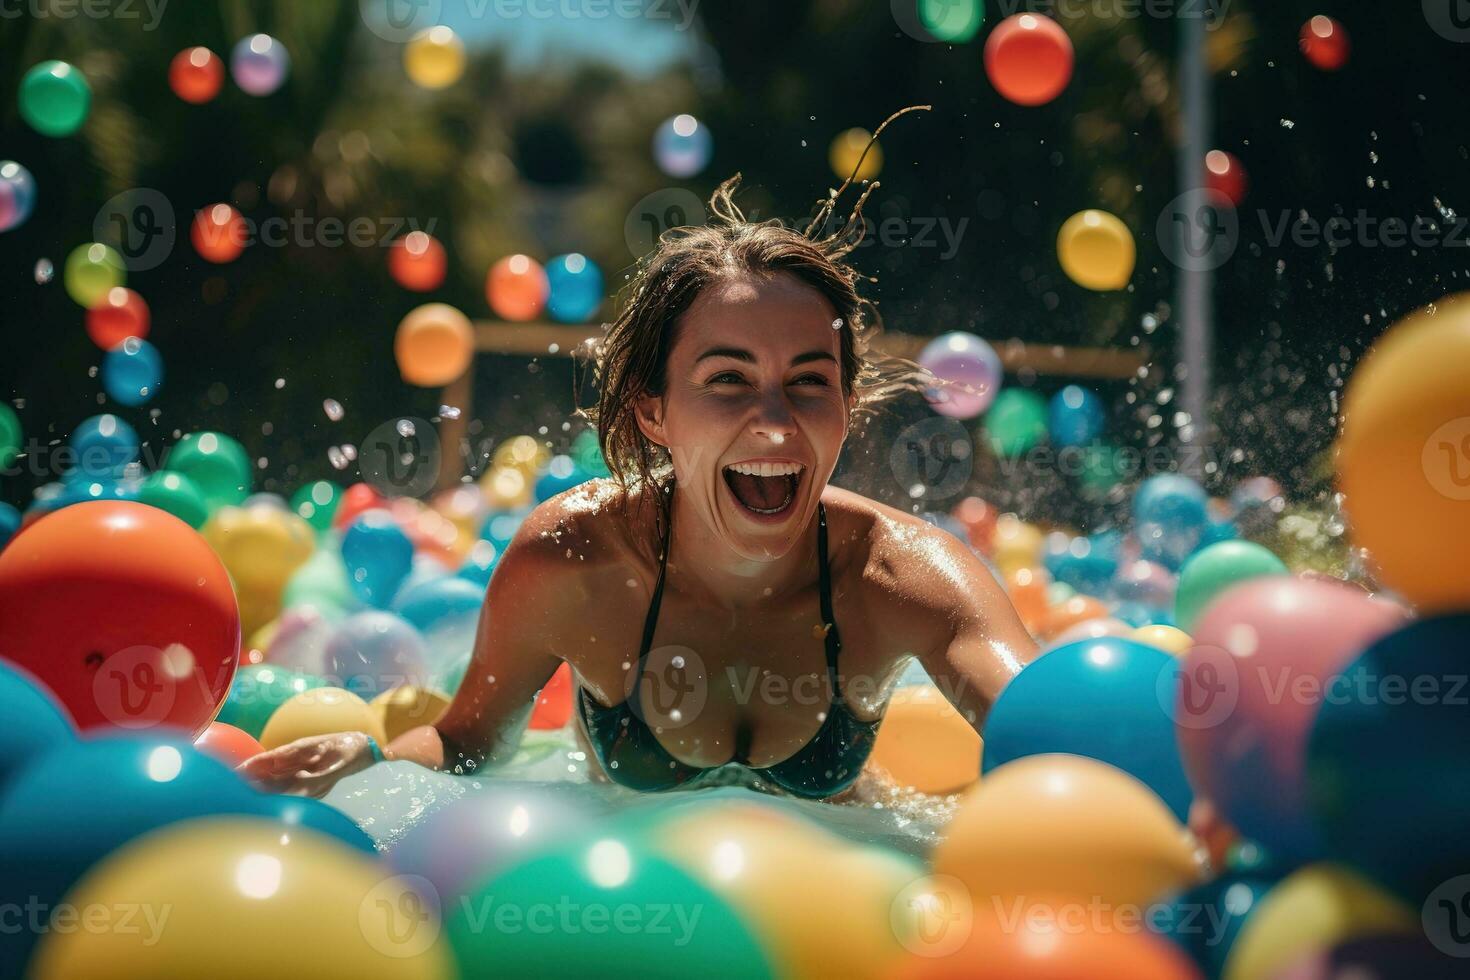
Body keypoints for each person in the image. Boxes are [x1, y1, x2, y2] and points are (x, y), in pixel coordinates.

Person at [240, 126, 1038, 801]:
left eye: (809, 383)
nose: (773, 421)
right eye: (727, 380)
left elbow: (1050, 731)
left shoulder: (907, 581)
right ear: (652, 410)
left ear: (847, 405)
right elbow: (470, 742)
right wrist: (370, 763)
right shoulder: (572, 559)